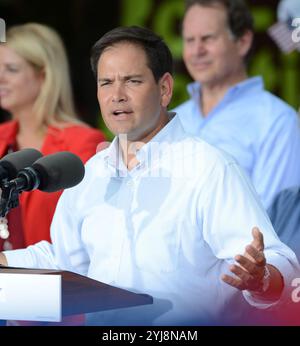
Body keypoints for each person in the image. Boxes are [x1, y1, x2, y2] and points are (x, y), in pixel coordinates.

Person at [0, 26, 298, 326]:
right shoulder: (92, 172)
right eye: (106, 83)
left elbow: (275, 258)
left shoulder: (208, 168)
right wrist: (6, 265)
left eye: (132, 81)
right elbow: (64, 261)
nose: (117, 95)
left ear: (165, 89)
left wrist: (262, 279)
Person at [173, 0, 300, 209]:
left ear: (243, 42)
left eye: (208, 38)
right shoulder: (170, 119)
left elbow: (273, 228)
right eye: (189, 40)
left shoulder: (277, 121)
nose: (197, 50)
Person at [0, 23, 106, 251]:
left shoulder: (82, 143)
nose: (0, 78)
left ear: (44, 75)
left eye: (11, 69)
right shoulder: (2, 136)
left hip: (56, 281)